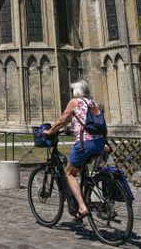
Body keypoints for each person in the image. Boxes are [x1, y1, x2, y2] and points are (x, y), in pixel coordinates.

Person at [43, 80, 107, 221]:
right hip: (99, 144)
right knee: (81, 168)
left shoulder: (75, 102)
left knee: (69, 173)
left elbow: (61, 121)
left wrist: (49, 131)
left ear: (76, 92)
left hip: (86, 144)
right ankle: (87, 195)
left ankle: (82, 207)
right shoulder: (93, 103)